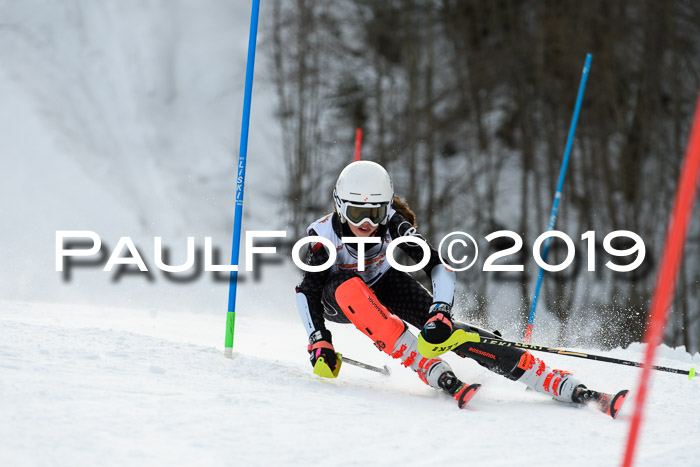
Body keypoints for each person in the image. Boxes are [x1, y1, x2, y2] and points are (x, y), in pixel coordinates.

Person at [294, 161, 626, 415]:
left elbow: (438, 266)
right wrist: (318, 340)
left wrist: (440, 314)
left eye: (375, 213)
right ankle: (424, 364)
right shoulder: (323, 237)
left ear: (387, 208)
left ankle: (551, 379)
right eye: (356, 213)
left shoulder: (395, 224)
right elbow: (306, 291)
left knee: (448, 332)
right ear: (340, 206)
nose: (366, 224)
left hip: (383, 283)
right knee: (349, 286)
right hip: (335, 300)